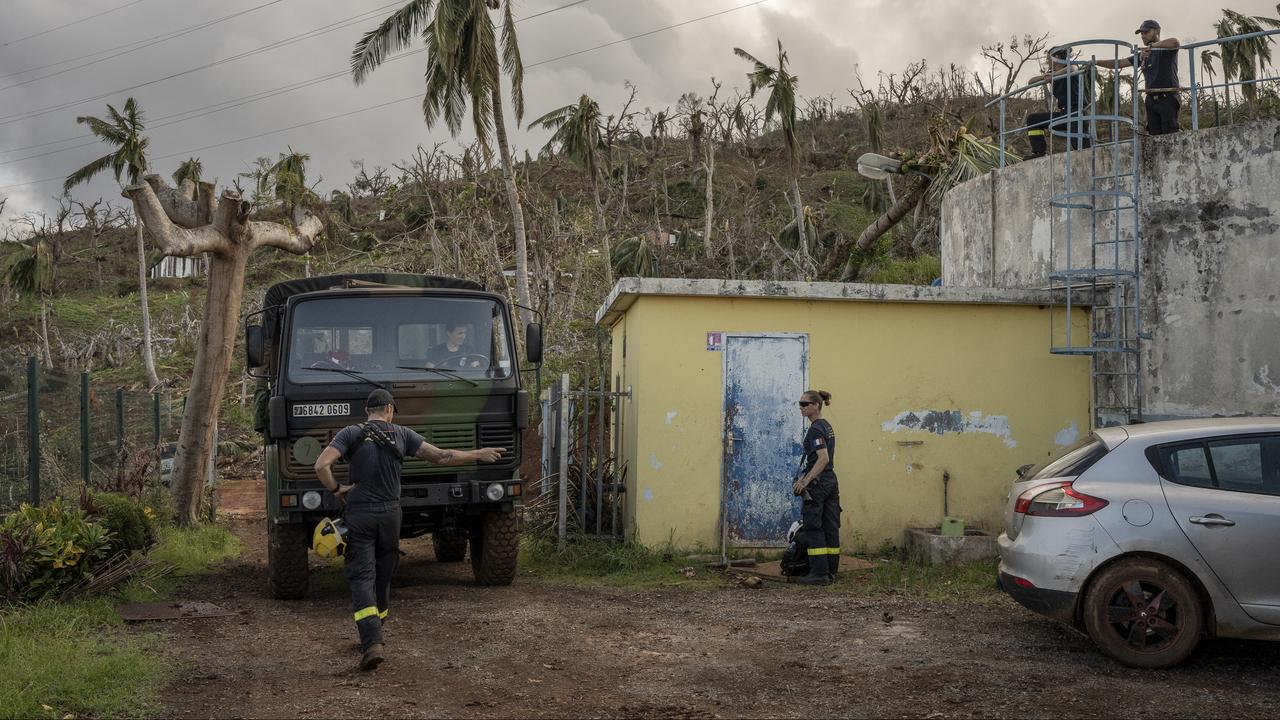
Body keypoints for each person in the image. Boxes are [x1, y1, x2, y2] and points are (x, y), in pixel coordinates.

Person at [313, 388, 506, 671]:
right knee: (384, 571)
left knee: (361, 575)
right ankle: (378, 627)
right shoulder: (402, 434)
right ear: (389, 410)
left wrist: (336, 488)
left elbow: (321, 465)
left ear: (368, 411)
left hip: (360, 514)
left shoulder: (350, 433)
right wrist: (478, 453)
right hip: (391, 515)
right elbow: (442, 456)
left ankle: (371, 642)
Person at [1095, 19, 1181, 135]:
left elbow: (1175, 42)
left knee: (1170, 136)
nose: (1142, 36)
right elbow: (1119, 63)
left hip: (1168, 97)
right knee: (1154, 138)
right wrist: (1096, 62)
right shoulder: (1143, 55)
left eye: (1146, 32)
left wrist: (1152, 47)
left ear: (1156, 31)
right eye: (1141, 33)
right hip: (1151, 100)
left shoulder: (1165, 49)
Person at [791, 389, 840, 586]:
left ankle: (819, 573)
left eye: (805, 404)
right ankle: (831, 572)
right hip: (830, 481)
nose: (801, 408)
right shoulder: (826, 426)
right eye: (800, 404)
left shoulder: (816, 429)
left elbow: (823, 459)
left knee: (813, 527)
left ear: (816, 406)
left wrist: (805, 481)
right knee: (830, 527)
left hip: (819, 484)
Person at [1025, 45, 1092, 158]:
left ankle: (1090, 161)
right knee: (1033, 120)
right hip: (1064, 113)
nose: (1047, 61)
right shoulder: (1051, 72)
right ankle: (1038, 152)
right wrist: (1045, 77)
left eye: (1048, 58)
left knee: (1080, 147)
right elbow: (1030, 82)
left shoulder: (1070, 66)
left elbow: (1073, 70)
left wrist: (1053, 75)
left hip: (1077, 111)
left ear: (1056, 57)